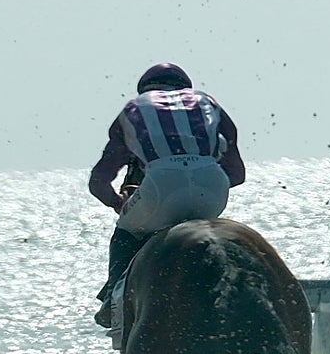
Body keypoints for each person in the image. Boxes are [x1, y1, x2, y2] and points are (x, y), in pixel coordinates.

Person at [89, 63, 245, 328]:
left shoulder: (133, 109)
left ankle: (112, 305)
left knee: (125, 233)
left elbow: (99, 182)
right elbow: (237, 174)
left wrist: (119, 203)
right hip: (213, 184)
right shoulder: (208, 102)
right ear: (185, 88)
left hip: (160, 184)